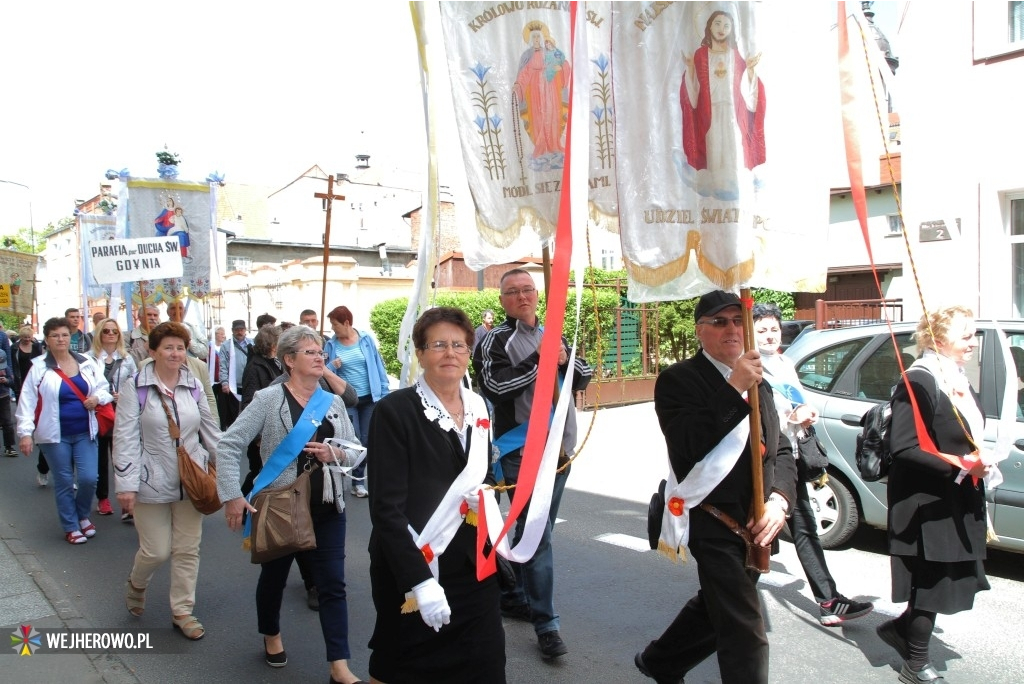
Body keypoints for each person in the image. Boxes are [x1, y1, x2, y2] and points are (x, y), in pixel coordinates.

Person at [634, 290, 796, 684]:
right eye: (720, 322)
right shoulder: (679, 380)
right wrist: (734, 386)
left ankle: (661, 661)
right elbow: (688, 443)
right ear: (699, 331)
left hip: (757, 521)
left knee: (715, 608)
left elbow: (784, 450)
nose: (732, 330)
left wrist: (779, 501)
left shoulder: (763, 380)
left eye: (739, 320)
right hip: (711, 518)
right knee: (744, 627)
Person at [217, 325, 363, 683]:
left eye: (320, 352)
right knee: (274, 578)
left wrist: (336, 452)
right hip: (280, 506)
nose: (320, 358)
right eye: (311, 353)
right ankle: (271, 634)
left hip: (328, 507)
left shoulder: (332, 401)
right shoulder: (269, 399)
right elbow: (229, 445)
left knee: (333, 585)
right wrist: (232, 495)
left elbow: (357, 450)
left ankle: (339, 665)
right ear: (289, 360)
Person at [366, 307, 505, 682]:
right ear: (421, 353)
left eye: (459, 345)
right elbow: (385, 509)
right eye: (439, 344)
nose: (450, 353)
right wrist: (421, 581)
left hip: (473, 566)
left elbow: (484, 473)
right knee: (407, 664)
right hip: (413, 563)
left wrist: (486, 496)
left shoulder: (479, 406)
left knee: (485, 663)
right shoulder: (394, 411)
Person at [472, 268, 592, 660]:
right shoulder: (494, 340)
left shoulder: (554, 330)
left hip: (560, 453)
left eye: (528, 290)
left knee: (535, 532)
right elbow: (495, 387)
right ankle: (547, 624)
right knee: (538, 538)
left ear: (538, 295)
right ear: (502, 299)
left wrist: (563, 358)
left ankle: (519, 593)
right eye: (513, 292)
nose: (522, 297)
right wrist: (540, 360)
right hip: (520, 452)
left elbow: (583, 377)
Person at [876, 305, 991, 684]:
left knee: (944, 579)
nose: (973, 341)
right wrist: (961, 464)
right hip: (926, 502)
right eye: (966, 334)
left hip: (955, 495)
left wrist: (977, 461)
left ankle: (899, 632)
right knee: (931, 584)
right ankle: (914, 664)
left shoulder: (953, 375)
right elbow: (905, 446)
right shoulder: (920, 379)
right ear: (939, 338)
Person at [752, 303, 873, 625]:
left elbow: (797, 400)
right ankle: (726, 603)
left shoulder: (783, 362)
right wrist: (791, 417)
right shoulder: (750, 368)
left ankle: (828, 600)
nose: (768, 335)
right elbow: (758, 419)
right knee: (761, 536)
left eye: (773, 329)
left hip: (790, 456)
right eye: (761, 330)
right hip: (765, 462)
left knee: (804, 529)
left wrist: (804, 413)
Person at [114, 322, 220, 641]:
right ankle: (137, 583)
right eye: (169, 347)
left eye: (180, 347)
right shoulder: (137, 386)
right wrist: (126, 484)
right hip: (150, 478)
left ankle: (183, 610)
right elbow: (125, 436)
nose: (175, 353)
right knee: (157, 551)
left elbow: (211, 431)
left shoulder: (193, 384)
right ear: (153, 351)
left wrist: (226, 471)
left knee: (188, 548)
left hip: (192, 479)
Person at [15, 317, 113, 544]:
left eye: (65, 335)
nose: (61, 339)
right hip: (54, 435)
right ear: (47, 340)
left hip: (85, 431)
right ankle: (71, 525)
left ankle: (82, 515)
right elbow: (27, 401)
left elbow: (104, 388)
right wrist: (25, 433)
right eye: (55, 335)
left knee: (89, 478)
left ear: (71, 337)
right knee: (65, 481)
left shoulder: (87, 362)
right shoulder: (39, 367)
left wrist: (97, 398)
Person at [680, 9, 766, 201]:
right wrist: (690, 68)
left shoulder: (736, 56)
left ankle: (732, 192)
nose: (721, 29)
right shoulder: (701, 55)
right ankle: (713, 192)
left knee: (731, 150)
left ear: (732, 30)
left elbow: (748, 93)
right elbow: (692, 93)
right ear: (709, 26)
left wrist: (750, 70)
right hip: (709, 112)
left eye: (726, 25)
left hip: (733, 113)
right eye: (717, 23)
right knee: (714, 150)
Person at [324, 305, 390, 498]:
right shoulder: (331, 345)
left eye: (335, 324)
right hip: (347, 400)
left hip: (370, 398)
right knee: (354, 440)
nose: (333, 328)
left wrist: (384, 392)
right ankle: (347, 478)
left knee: (367, 440)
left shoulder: (366, 340)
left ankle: (357, 481)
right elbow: (324, 372)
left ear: (346, 323)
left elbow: (378, 366)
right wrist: (331, 365)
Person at [86, 319, 138, 519]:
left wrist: (124, 395)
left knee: (123, 456)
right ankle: (103, 498)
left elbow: (135, 382)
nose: (110, 334)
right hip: (98, 411)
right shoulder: (88, 358)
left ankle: (127, 502)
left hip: (121, 410)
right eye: (106, 330)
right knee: (100, 457)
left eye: (114, 331)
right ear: (99, 333)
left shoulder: (127, 359)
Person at [513, 20, 570, 169]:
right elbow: (525, 72)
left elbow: (563, 63)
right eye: (534, 38)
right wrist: (518, 84)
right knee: (537, 116)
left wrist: (560, 68)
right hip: (535, 91)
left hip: (550, 90)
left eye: (539, 37)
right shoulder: (528, 55)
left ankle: (553, 145)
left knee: (552, 115)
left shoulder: (550, 51)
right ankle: (541, 146)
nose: (537, 40)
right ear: (531, 40)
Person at [11, 324, 47, 486]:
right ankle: (30, 430)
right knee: (26, 410)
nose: (27, 339)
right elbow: (13, 366)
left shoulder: (38, 348)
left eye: (29, 337)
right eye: (24, 337)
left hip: (38, 384)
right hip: (22, 382)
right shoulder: (14, 349)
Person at [218, 319, 253, 428]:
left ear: (245, 330)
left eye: (241, 329)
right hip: (233, 386)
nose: (239, 332)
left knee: (249, 412)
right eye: (237, 330)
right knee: (234, 414)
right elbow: (222, 365)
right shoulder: (226, 345)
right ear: (232, 331)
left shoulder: (251, 343)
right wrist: (224, 383)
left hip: (249, 384)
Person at [0, 328, 16, 457]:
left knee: (7, 420)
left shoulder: (2, 337)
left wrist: (9, 377)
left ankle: (9, 446)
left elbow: (8, 358)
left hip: (3, 390)